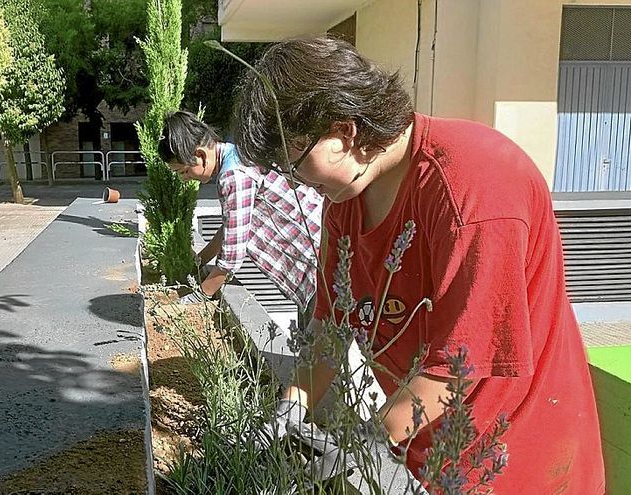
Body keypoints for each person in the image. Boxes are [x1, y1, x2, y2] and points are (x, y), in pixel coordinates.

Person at [232, 36, 604, 494]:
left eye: (294, 166)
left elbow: (458, 368)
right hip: (429, 452)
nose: (296, 185)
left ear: (345, 132)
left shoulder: (475, 187)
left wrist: (361, 445)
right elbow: (330, 327)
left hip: (517, 460)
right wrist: (291, 406)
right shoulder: (346, 200)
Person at [158, 110, 323, 328]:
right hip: (320, 254)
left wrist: (197, 298)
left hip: (317, 263)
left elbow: (232, 258)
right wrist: (198, 263)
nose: (185, 179)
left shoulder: (233, 175)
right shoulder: (237, 155)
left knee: (316, 352)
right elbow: (231, 226)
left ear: (200, 155)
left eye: (183, 171)